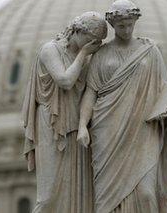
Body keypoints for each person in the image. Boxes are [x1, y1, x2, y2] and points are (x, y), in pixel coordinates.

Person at [77, 0, 167, 213]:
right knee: (104, 201)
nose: (126, 30)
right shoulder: (101, 54)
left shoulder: (150, 51)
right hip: (107, 132)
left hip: (144, 130)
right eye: (121, 26)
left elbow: (164, 90)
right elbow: (91, 92)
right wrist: (83, 126)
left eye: (130, 25)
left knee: (147, 193)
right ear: (112, 25)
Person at [22, 11, 107, 213]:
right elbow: (65, 81)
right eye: (92, 39)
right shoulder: (50, 49)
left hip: (77, 125)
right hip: (52, 122)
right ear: (77, 31)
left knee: (77, 192)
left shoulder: (87, 58)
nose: (95, 44)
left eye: (98, 41)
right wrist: (84, 54)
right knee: (48, 195)